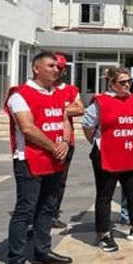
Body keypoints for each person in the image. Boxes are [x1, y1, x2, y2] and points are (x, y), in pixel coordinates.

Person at [3, 52, 75, 264]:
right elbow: (27, 128)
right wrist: (54, 146)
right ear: (36, 68)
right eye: (51, 65)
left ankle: (42, 249)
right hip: (29, 160)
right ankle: (15, 259)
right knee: (25, 210)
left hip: (54, 159)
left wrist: (64, 141)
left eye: (57, 66)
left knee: (47, 207)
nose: (56, 70)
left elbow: (64, 119)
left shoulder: (56, 93)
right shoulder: (20, 95)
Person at [83, 67, 133, 251]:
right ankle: (104, 234)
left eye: (129, 81)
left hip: (128, 153)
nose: (127, 84)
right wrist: (97, 142)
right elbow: (88, 125)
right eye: (122, 82)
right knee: (105, 196)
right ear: (112, 83)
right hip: (106, 155)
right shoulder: (100, 102)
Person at [47, 54, 84, 232]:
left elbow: (80, 108)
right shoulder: (41, 89)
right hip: (45, 142)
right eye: (53, 66)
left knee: (60, 180)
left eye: (60, 68)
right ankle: (39, 214)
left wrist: (57, 108)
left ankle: (53, 213)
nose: (57, 71)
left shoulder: (69, 89)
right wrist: (64, 108)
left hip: (67, 141)